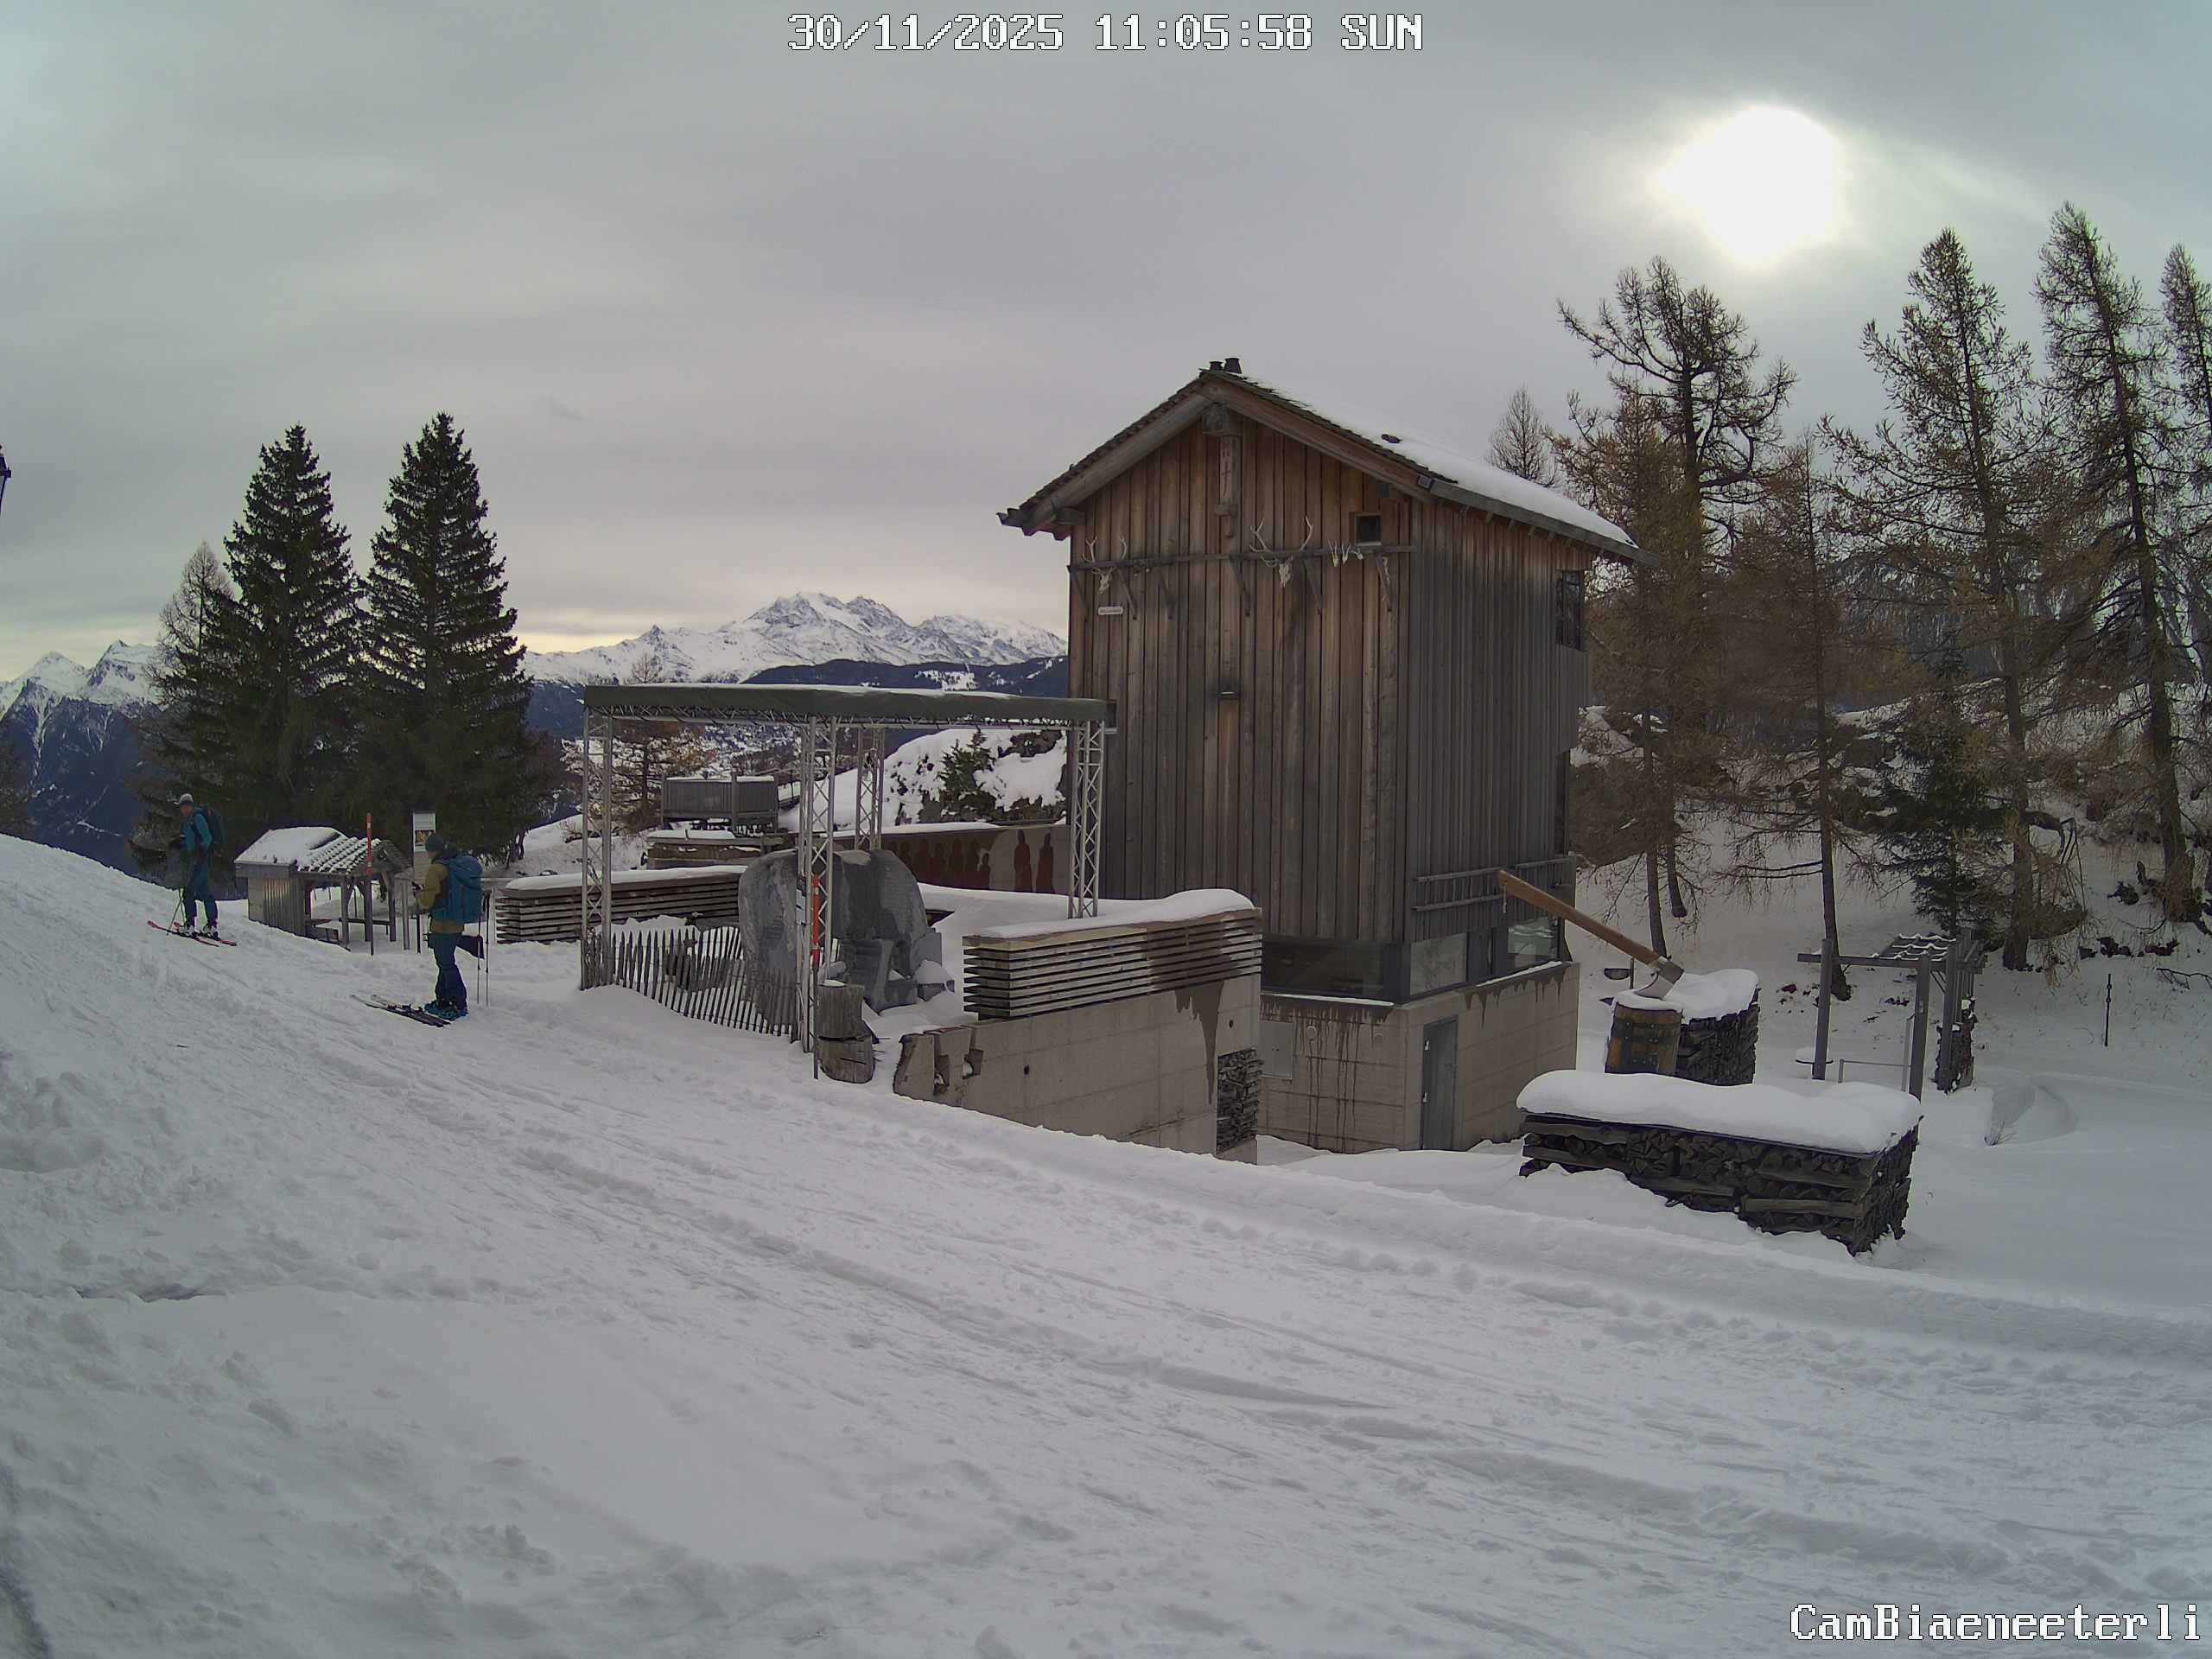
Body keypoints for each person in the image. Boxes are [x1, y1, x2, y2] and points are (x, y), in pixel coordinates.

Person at [415, 835, 483, 1017]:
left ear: (431, 851)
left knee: (446, 963)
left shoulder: (436, 869)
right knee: (444, 962)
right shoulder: (454, 865)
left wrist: (419, 896)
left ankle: (458, 1003)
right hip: (456, 922)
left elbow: (428, 900)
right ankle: (443, 1000)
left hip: (442, 923)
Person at [172, 793, 219, 937]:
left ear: (191, 806)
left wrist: (201, 851)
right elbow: (193, 839)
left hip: (201, 861)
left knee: (189, 891)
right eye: (183, 807)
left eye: (187, 806)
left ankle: (190, 925)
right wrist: (180, 843)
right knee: (206, 893)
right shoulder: (191, 820)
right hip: (201, 860)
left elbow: (208, 837)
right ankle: (211, 926)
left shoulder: (197, 818)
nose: (184, 809)